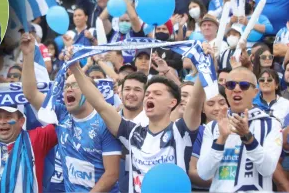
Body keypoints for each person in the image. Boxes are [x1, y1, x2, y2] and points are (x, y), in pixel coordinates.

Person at [62, 45, 206, 193]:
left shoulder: (181, 131)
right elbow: (100, 104)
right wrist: (75, 68)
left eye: (157, 93)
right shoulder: (132, 132)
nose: (150, 96)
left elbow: (194, 104)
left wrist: (204, 65)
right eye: (148, 93)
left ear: (173, 102)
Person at [21, 33, 122, 192]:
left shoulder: (105, 123)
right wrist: (28, 55)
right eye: (66, 86)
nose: (68, 89)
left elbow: (112, 174)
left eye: (74, 85)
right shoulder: (62, 115)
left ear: (90, 92)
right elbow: (31, 94)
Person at [197, 67, 283, 191]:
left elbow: (267, 169)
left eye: (244, 85)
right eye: (231, 85)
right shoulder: (213, 126)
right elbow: (204, 173)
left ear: (255, 92)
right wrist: (221, 140)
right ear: (226, 90)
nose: (236, 89)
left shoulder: (271, 124)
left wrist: (248, 137)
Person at [189, 84, 229, 191]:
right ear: (202, 108)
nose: (217, 108)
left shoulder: (238, 129)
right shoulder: (198, 132)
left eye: (222, 103)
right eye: (210, 104)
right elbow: (192, 170)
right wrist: (225, 181)